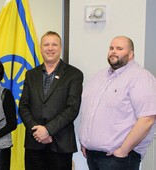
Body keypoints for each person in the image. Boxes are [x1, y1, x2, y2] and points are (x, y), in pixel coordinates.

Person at [79, 36, 156, 170]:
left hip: (120, 159)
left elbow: (147, 119)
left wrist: (122, 151)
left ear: (131, 54)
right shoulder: (99, 76)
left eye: (119, 48)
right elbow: (89, 111)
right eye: (111, 48)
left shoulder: (141, 78)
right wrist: (86, 141)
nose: (113, 51)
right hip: (93, 156)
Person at [18, 31, 83, 170]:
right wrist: (38, 132)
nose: (50, 48)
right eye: (46, 44)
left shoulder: (74, 74)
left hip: (60, 144)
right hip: (34, 143)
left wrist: (48, 130)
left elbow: (72, 109)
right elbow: (23, 106)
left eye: (54, 44)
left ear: (60, 48)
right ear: (40, 48)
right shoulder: (31, 75)